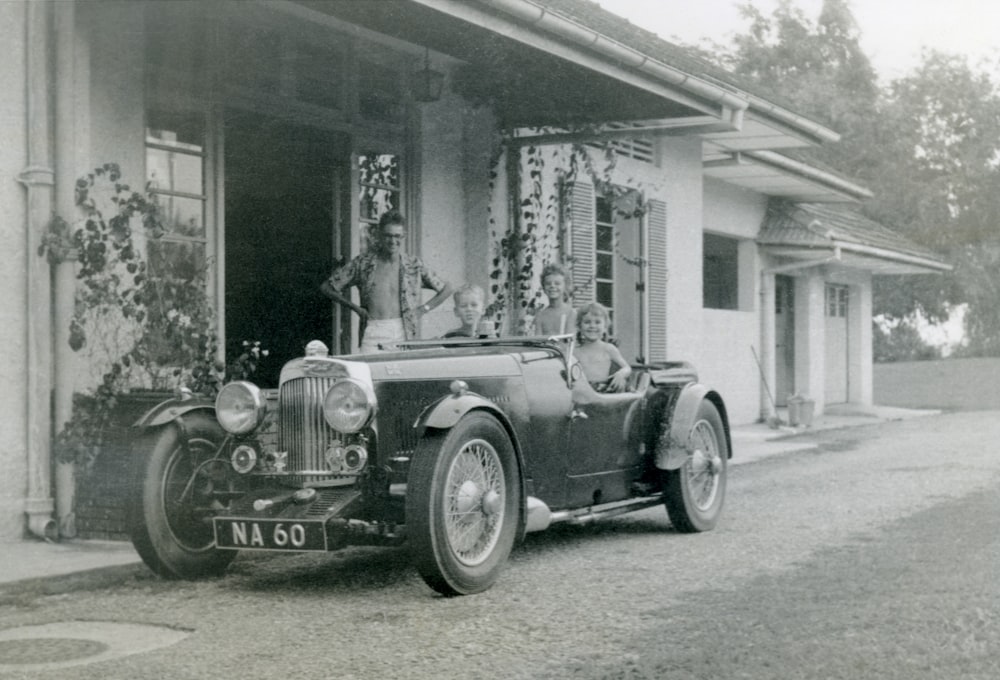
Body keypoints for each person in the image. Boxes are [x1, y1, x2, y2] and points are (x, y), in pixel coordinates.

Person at [321, 210, 452, 353]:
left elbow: (447, 288)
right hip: (373, 331)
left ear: (403, 237)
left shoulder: (413, 265)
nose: (392, 241)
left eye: (397, 236)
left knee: (401, 374)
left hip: (404, 332)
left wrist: (423, 309)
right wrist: (355, 308)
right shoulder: (363, 263)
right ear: (379, 235)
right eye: (388, 235)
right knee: (370, 374)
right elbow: (327, 287)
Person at [574, 301, 631, 392]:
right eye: (587, 322)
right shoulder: (575, 352)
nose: (592, 326)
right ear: (579, 327)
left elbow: (627, 368)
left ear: (605, 327)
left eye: (597, 322)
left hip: (603, 392)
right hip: (583, 391)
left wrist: (621, 374)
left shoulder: (609, 349)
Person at [532, 263, 576, 335]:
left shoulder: (571, 313)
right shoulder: (541, 316)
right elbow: (538, 341)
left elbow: (570, 341)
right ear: (543, 287)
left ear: (565, 287)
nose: (552, 286)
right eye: (548, 283)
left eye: (557, 283)